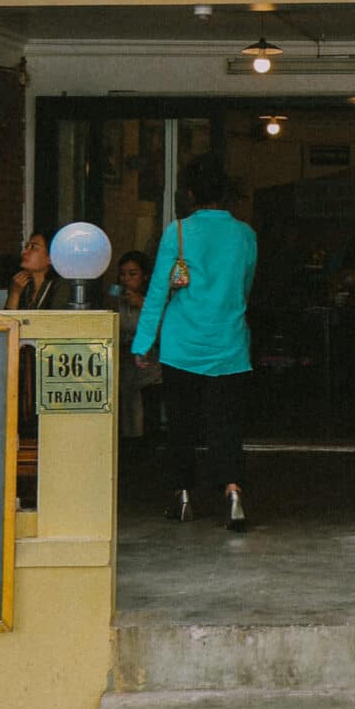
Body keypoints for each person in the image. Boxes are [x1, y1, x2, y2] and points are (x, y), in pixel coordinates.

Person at [132, 153, 257, 533]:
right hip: (229, 342)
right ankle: (233, 491)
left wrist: (143, 341)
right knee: (226, 424)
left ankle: (183, 496)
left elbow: (157, 292)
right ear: (226, 193)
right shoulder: (246, 234)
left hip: (182, 343)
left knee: (182, 424)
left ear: (190, 193)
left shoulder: (178, 232)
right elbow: (245, 287)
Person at [114, 251, 163, 442]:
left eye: (132, 274)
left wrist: (142, 305)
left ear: (144, 276)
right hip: (125, 367)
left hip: (150, 369)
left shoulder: (154, 300)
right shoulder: (119, 299)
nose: (126, 279)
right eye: (123, 274)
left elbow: (162, 331)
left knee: (148, 419)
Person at [5, 231, 68, 311]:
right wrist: (14, 294)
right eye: (26, 247)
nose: (24, 252)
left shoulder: (62, 287)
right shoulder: (22, 286)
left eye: (33, 247)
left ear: (50, 258)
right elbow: (7, 321)